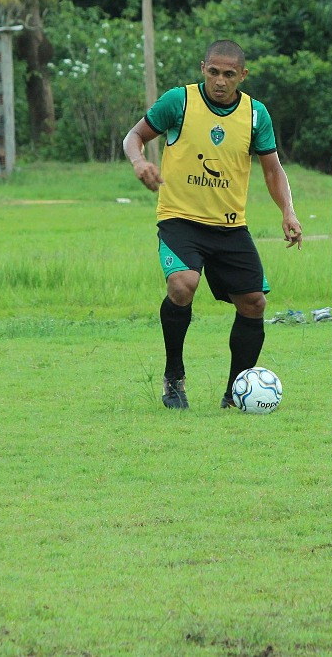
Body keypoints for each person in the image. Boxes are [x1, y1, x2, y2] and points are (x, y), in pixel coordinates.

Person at [123, 39, 303, 410]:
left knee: (254, 303)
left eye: (229, 74)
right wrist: (139, 162)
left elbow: (272, 169)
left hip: (230, 227)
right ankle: (174, 378)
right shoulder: (179, 101)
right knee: (183, 284)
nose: (220, 81)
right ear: (203, 67)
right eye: (213, 72)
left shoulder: (255, 115)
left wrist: (288, 210)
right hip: (180, 220)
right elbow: (134, 136)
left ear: (242, 75)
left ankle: (235, 394)